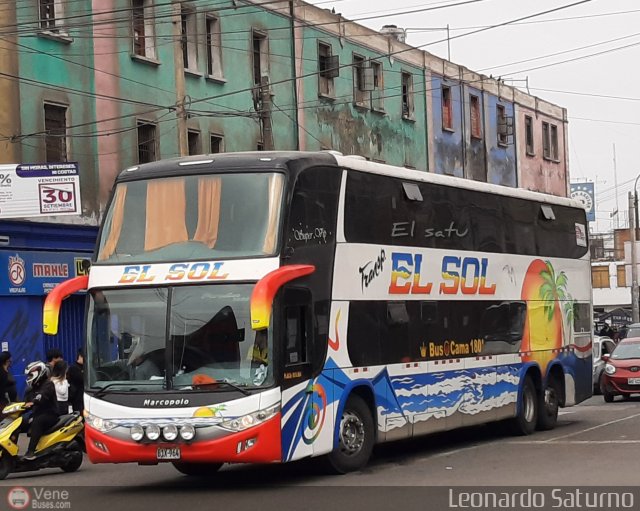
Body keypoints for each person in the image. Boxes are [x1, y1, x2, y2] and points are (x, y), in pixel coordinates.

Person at [23, 361, 59, 461]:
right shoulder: (31, 388)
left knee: (37, 421)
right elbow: (25, 403)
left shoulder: (48, 384)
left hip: (50, 414)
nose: (28, 378)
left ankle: (31, 451)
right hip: (37, 413)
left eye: (30, 375)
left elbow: (42, 397)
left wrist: (34, 402)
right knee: (20, 422)